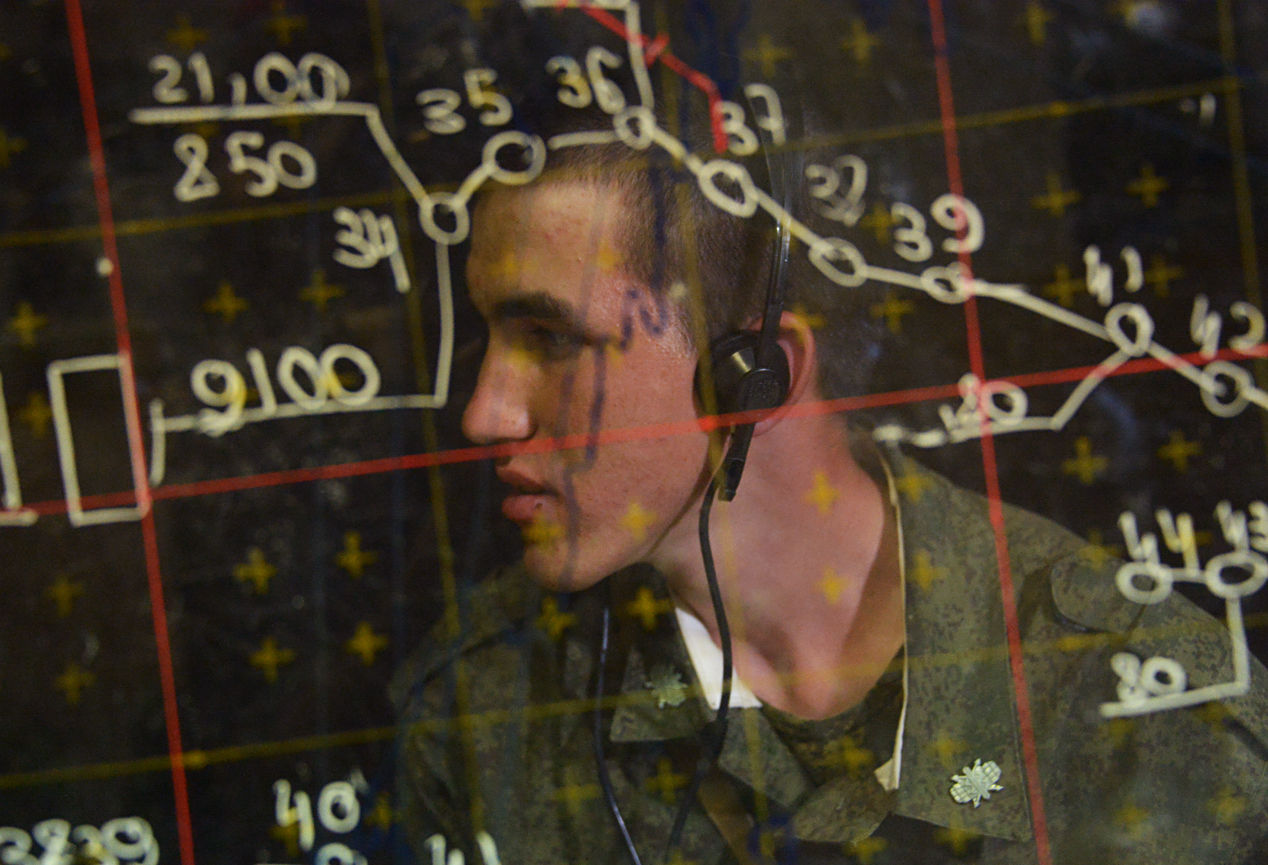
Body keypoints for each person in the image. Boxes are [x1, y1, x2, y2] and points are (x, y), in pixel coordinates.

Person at [391, 127, 1268, 864]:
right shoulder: (489, 706)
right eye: (489, 339)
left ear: (756, 376)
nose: (484, 411)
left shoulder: (1150, 707)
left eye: (549, 336)